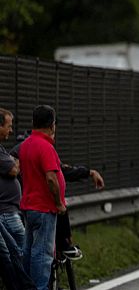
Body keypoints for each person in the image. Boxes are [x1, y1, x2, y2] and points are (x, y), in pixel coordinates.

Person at [19, 105, 65, 290]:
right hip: (44, 208)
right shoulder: (45, 147)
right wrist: (58, 203)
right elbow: (51, 178)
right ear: (52, 125)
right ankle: (39, 288)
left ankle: (28, 286)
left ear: (33, 122)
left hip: (29, 206)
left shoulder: (26, 144)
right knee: (42, 253)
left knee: (28, 251)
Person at [0, 108, 35, 290]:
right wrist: (18, 160)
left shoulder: (2, 149)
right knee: (20, 253)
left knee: (15, 252)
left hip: (11, 210)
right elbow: (14, 169)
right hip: (6, 212)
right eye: (8, 126)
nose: (11, 131)